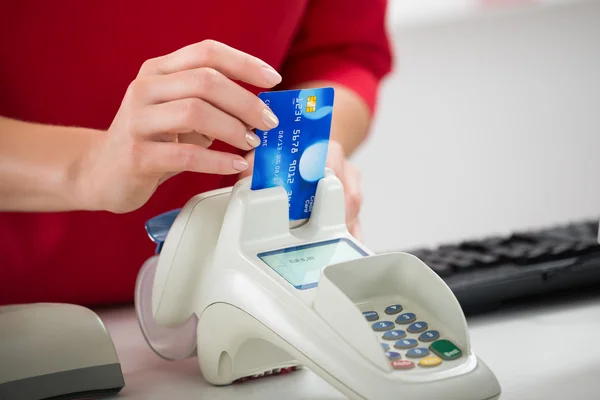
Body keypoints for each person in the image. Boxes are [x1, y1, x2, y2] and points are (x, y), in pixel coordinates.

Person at [0, 1, 393, 306]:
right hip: (20, 322)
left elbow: (342, 51)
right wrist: (85, 167)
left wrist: (310, 145)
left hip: (237, 292)